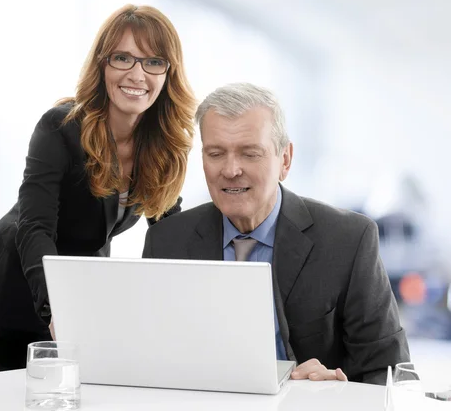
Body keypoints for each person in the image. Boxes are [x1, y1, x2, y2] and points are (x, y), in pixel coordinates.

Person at [0, 4, 196, 372]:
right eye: (123, 58)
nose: (137, 74)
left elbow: (171, 229)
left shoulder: (161, 145)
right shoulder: (62, 126)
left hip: (83, 293)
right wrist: (57, 310)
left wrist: (204, 297)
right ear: (102, 65)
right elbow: (35, 227)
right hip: (21, 283)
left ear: (168, 74)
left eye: (153, 62)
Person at [142, 82, 410, 385]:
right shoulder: (166, 241)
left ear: (285, 160)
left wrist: (340, 390)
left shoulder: (348, 239)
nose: (230, 170)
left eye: (249, 154)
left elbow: (392, 373)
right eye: (215, 153)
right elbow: (148, 362)